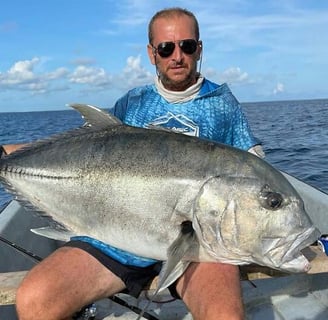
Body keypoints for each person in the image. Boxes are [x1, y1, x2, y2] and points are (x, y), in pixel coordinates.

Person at [1, 7, 264, 320]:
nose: (177, 56)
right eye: (166, 48)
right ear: (152, 54)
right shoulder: (131, 103)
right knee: (35, 301)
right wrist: (6, 155)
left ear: (199, 49)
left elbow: (254, 178)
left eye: (187, 46)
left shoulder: (223, 106)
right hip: (116, 237)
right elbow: (78, 152)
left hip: (198, 243)